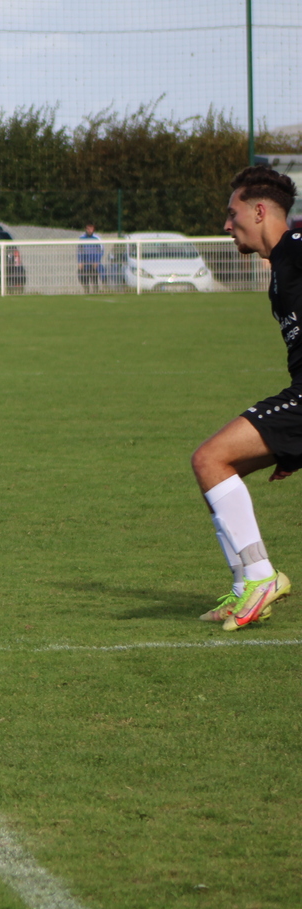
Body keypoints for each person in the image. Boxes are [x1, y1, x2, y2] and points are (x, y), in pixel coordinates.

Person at [190, 165, 302, 629]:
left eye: (232, 213)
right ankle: (245, 588)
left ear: (259, 212)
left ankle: (259, 578)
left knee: (210, 458)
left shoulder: (297, 248)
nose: (226, 223)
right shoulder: (279, 269)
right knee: (217, 469)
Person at [77, 222, 103, 294]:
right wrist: (80, 261)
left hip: (93, 262)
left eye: (91, 229)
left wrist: (97, 261)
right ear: (85, 229)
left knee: (94, 278)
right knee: (83, 278)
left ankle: (96, 291)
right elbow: (79, 251)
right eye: (88, 229)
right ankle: (86, 290)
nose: (90, 230)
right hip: (85, 263)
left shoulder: (97, 238)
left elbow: (101, 250)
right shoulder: (81, 238)